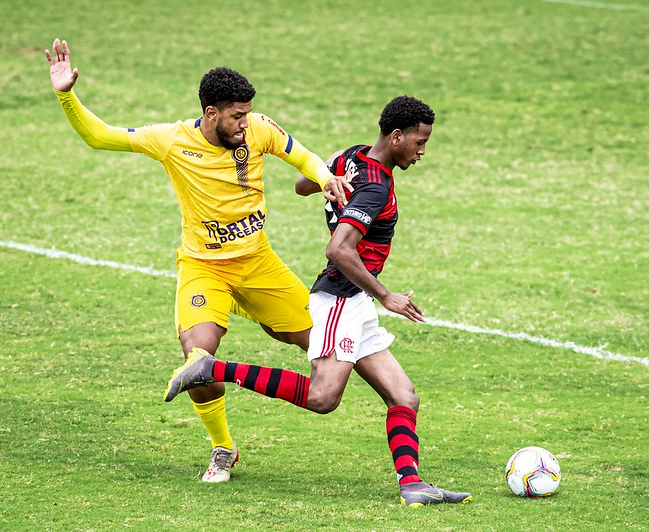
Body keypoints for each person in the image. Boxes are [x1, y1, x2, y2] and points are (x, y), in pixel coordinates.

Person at [45, 38, 351, 483]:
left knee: (330, 346)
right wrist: (66, 94)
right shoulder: (171, 140)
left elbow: (300, 154)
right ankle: (223, 448)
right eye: (237, 116)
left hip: (259, 264)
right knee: (198, 360)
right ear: (211, 114)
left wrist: (325, 178)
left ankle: (397, 405)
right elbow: (100, 136)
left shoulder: (259, 128)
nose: (246, 124)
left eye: (248, 114)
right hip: (205, 269)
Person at [164, 96, 473, 507]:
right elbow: (338, 250)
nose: (422, 152)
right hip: (341, 299)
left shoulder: (351, 157)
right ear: (396, 136)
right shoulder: (374, 187)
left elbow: (303, 184)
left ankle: (412, 484)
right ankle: (210, 367)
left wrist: (332, 184)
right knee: (323, 398)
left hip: (356, 301)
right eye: (418, 142)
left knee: (403, 394)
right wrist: (387, 296)